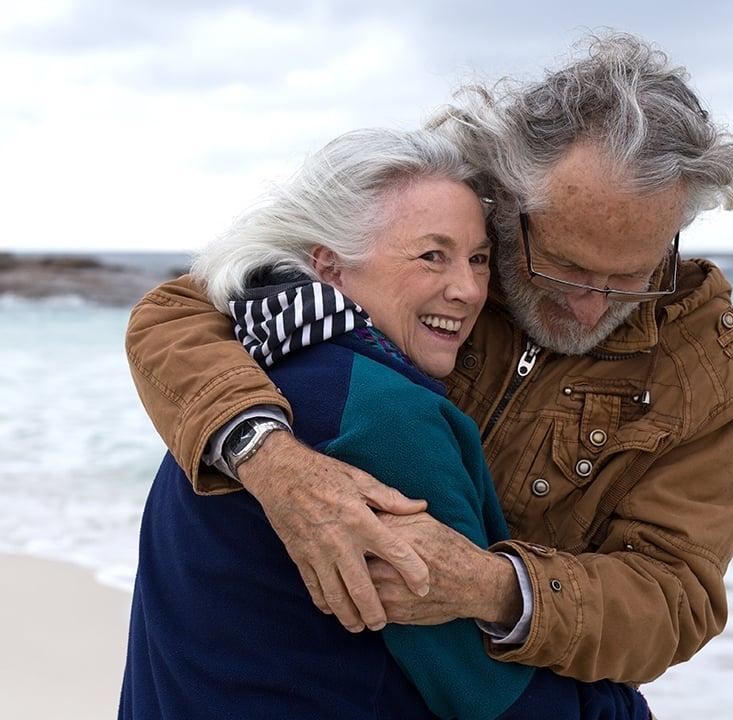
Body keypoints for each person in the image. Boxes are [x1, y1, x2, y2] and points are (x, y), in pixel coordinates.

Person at [123, 32, 733, 685]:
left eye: (630, 279)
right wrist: (272, 462)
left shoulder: (721, 376)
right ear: (508, 201)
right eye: (564, 267)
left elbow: (677, 598)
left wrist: (496, 589)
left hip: (507, 682)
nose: (589, 307)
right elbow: (180, 314)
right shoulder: (447, 234)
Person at [119, 128, 648, 719]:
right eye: (432, 256)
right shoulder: (382, 417)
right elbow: (490, 700)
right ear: (331, 266)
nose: (468, 290)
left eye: (478, 259)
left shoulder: (244, 379)